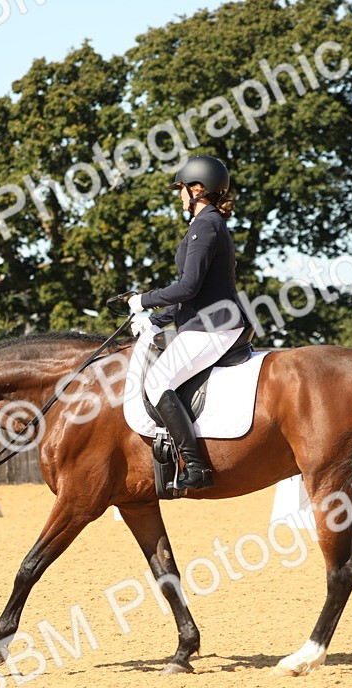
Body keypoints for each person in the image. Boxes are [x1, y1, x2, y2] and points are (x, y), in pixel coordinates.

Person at [126, 155, 246, 493]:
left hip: (215, 325)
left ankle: (197, 466)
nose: (179, 195)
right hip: (204, 320)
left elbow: (189, 286)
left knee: (157, 381)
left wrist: (143, 299)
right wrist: (157, 319)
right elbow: (196, 293)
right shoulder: (206, 224)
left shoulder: (206, 225)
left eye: (181, 189)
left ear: (198, 189)